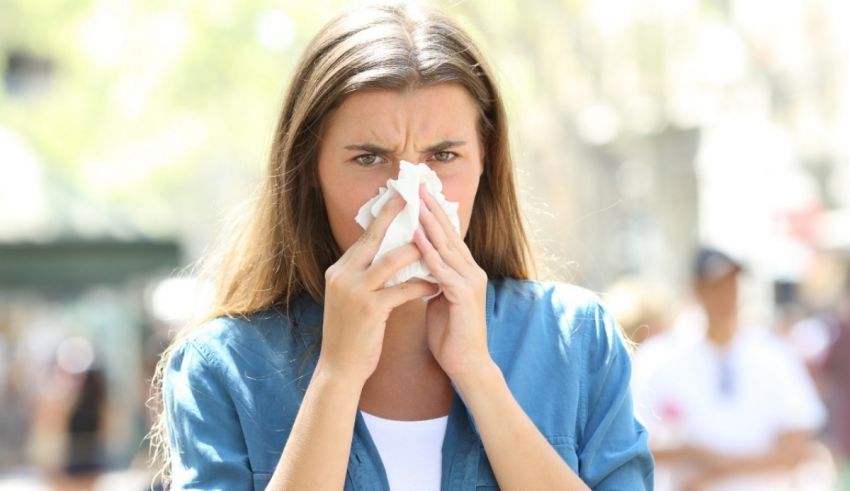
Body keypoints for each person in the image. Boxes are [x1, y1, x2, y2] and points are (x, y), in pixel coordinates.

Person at [149, 3, 653, 490]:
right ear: (310, 174)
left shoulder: (577, 338)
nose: (409, 192)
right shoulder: (223, 366)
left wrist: (478, 374)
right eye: (369, 158)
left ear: (484, 166)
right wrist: (337, 376)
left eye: (443, 155)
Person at [632, 247, 826, 491]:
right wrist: (696, 455)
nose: (727, 296)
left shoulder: (773, 354)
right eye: (717, 286)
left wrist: (715, 468)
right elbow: (637, 444)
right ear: (697, 289)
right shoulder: (659, 357)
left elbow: (796, 445)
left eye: (732, 285)